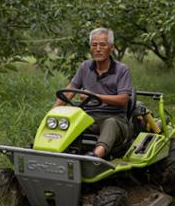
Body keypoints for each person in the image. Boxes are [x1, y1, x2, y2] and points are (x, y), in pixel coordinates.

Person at [55, 28, 132, 158]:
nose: (97, 49)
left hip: (115, 118)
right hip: (88, 116)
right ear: (90, 48)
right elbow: (68, 92)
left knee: (110, 123)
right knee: (68, 119)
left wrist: (96, 96)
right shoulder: (85, 66)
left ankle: (95, 156)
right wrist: (52, 114)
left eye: (102, 45)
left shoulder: (122, 70)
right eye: (94, 45)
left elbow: (123, 100)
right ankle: (53, 150)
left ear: (111, 48)